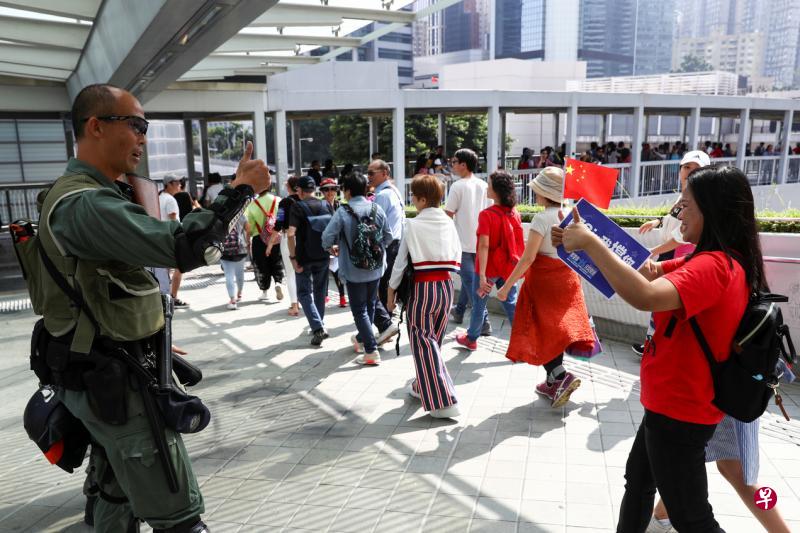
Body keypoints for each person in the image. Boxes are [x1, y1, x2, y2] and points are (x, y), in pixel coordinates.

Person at [36, 83, 269, 532]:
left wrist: (144, 332)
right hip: (115, 384)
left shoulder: (72, 195)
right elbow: (185, 245)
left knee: (115, 492)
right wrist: (239, 191)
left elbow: (96, 287)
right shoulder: (87, 203)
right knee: (177, 515)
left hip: (98, 369)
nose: (143, 138)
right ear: (96, 127)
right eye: (137, 125)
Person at [553, 165, 765, 532]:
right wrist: (587, 235)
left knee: (693, 517)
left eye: (686, 206)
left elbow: (644, 295)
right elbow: (649, 272)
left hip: (681, 409)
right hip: (671, 402)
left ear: (712, 211)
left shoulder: (713, 266)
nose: (679, 215)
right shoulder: (717, 259)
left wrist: (590, 243)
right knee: (638, 483)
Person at [496, 167, 594, 407]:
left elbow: (528, 258)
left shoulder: (542, 218)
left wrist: (507, 286)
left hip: (545, 282)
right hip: (568, 279)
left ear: (543, 192)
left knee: (541, 329)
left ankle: (561, 375)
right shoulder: (571, 212)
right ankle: (551, 382)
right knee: (556, 330)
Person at [387, 174, 462, 418]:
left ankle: (444, 400)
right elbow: (458, 255)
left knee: (422, 341)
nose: (412, 201)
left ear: (421, 199)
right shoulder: (449, 223)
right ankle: (421, 386)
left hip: (423, 289)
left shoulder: (413, 224)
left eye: (413, 197)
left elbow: (399, 264)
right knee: (434, 342)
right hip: (446, 287)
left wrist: (390, 292)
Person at [632, 150, 711, 356]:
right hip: (670, 254)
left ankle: (658, 345)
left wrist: (652, 251)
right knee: (660, 302)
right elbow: (673, 217)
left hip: (682, 256)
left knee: (664, 302)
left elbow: (681, 236)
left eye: (696, 169)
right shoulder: (685, 194)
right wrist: (657, 221)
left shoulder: (700, 199)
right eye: (686, 167)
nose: (689, 172)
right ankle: (653, 341)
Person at [321, 173, 393, 365]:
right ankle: (363, 341)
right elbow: (389, 236)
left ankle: (371, 350)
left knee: (360, 309)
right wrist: (375, 250)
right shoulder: (377, 208)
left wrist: (333, 247)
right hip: (376, 267)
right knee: (369, 304)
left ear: (349, 191)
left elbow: (327, 237)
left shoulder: (343, 211)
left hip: (353, 270)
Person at [455, 170, 523, 351]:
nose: (487, 186)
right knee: (511, 303)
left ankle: (471, 339)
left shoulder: (486, 214)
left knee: (479, 304)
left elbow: (483, 246)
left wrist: (483, 276)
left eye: (490, 184)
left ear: (496, 190)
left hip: (489, 267)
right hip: (508, 266)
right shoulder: (514, 213)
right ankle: (522, 342)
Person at [446, 148, 492, 335]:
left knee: (471, 283)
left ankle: (484, 323)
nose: (452, 164)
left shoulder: (457, 186)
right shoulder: (483, 185)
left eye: (454, 161)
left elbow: (448, 214)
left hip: (463, 242)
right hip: (483, 243)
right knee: (471, 281)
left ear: (463, 165)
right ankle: (458, 312)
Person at [288, 175, 333, 346]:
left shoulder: (297, 207)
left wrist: (292, 258)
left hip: (303, 258)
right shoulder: (325, 204)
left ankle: (317, 327)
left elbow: (291, 234)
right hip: (323, 255)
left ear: (299, 190)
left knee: (304, 293)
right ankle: (319, 323)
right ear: (314, 189)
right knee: (320, 291)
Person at [368, 159, 404, 346]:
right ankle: (387, 326)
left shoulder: (381, 195)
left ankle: (386, 327)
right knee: (386, 286)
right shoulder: (394, 191)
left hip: (386, 246)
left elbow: (375, 226)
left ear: (384, 173)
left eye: (372, 173)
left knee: (378, 288)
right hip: (395, 245)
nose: (369, 177)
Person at [245, 185, 284, 302]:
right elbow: (283, 219)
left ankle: (265, 291)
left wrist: (249, 238)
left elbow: (250, 227)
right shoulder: (278, 200)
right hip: (276, 236)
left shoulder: (252, 205)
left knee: (262, 265)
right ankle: (278, 282)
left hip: (258, 238)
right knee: (276, 261)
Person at [159, 174, 190, 309]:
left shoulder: (159, 198)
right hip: (172, 238)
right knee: (180, 266)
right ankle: (173, 297)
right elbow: (173, 220)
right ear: (169, 184)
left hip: (161, 237)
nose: (180, 185)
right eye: (177, 182)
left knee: (164, 269)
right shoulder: (170, 200)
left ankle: (165, 296)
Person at [275, 176, 301, 316]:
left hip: (287, 238)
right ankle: (303, 301)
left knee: (290, 272)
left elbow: (278, 222)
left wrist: (272, 239)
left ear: (289, 187)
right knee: (303, 272)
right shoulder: (305, 201)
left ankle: (294, 305)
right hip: (304, 239)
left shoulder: (284, 202)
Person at [320, 178, 347, 307]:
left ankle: (342, 296)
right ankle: (324, 296)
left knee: (338, 272)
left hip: (338, 244)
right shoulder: (318, 206)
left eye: (332, 189)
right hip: (324, 245)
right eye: (326, 189)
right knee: (323, 272)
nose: (330, 192)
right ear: (322, 191)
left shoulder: (341, 206)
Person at [220, 215, 250, 310]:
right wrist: (248, 242)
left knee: (229, 274)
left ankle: (232, 300)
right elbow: (248, 229)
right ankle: (239, 293)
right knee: (240, 272)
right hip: (240, 248)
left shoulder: (220, 216)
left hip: (225, 249)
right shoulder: (241, 215)